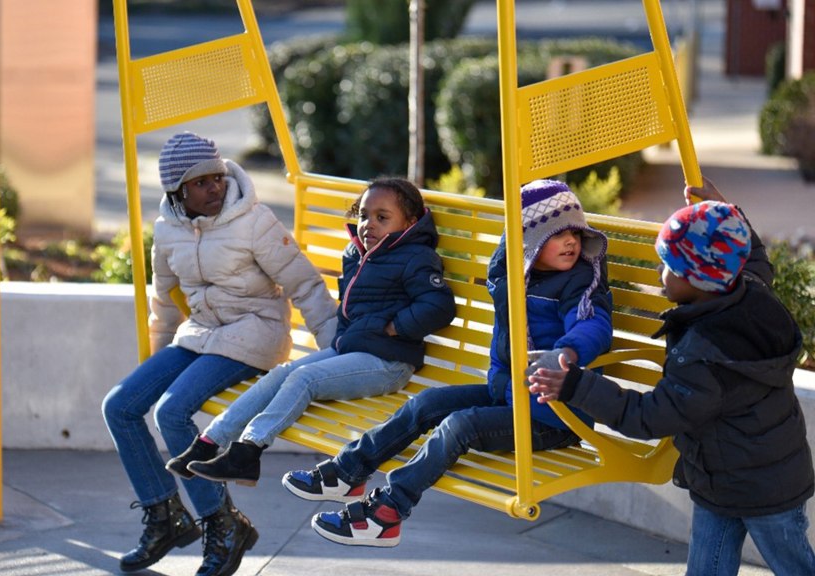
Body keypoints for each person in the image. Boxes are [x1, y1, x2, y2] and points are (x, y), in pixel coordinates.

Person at [284, 179, 613, 547]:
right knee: (425, 404)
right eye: (556, 233)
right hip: (508, 394)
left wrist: (566, 352)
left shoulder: (580, 282)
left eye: (574, 232)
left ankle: (388, 512)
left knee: (461, 425)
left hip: (554, 415)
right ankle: (348, 471)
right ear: (528, 242)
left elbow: (592, 324)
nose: (570, 241)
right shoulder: (515, 274)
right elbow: (505, 259)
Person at [528, 178, 815, 576]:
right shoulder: (748, 292)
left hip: (761, 490)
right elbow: (753, 260)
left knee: (793, 564)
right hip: (735, 480)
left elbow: (650, 416)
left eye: (669, 267)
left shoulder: (706, 355)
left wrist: (576, 385)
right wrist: (723, 209)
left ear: (697, 280)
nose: (660, 272)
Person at [101, 132, 339, 576]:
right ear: (178, 191)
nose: (215, 188)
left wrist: (337, 353)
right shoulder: (168, 230)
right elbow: (164, 298)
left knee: (172, 412)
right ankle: (165, 516)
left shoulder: (254, 221)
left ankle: (222, 523)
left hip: (255, 333)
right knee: (119, 405)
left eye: (218, 177)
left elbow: (304, 284)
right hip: (201, 334)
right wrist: (157, 360)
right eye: (202, 183)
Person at [166, 177, 456, 487]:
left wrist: (394, 326)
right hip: (352, 351)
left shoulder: (415, 257)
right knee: (281, 373)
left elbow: (439, 305)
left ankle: (247, 452)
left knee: (303, 379)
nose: (369, 224)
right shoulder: (358, 254)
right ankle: (208, 443)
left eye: (382, 218)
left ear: (410, 223)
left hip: (388, 363)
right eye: (363, 215)